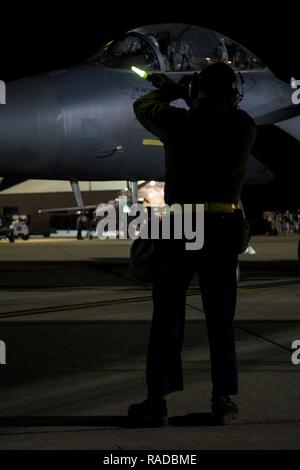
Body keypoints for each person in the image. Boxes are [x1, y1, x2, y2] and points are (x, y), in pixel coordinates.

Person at [127, 62, 256, 426]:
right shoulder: (244, 126)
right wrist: (193, 93)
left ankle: (157, 400)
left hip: (183, 223)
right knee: (221, 317)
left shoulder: (178, 122)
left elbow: (143, 106)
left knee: (168, 313)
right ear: (232, 92)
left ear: (200, 91)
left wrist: (172, 89)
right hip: (224, 223)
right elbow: (220, 110)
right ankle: (223, 399)